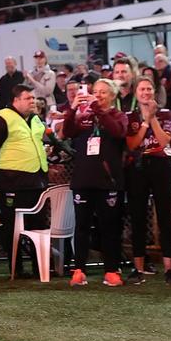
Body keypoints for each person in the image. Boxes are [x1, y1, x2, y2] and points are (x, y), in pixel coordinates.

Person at [62, 78, 129, 287]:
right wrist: (73, 110)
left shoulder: (119, 116)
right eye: (95, 91)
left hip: (108, 182)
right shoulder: (85, 116)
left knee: (109, 228)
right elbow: (68, 132)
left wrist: (97, 110)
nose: (98, 95)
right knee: (81, 227)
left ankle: (111, 271)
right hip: (83, 180)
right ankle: (79, 270)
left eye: (102, 92)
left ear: (112, 95)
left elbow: (118, 132)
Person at [0, 84, 51, 278]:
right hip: (13, 180)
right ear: (16, 100)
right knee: (12, 225)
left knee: (38, 224)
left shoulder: (35, 119)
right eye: (28, 98)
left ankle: (40, 267)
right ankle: (16, 268)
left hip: (37, 179)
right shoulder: (2, 118)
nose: (33, 101)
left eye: (33, 98)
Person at [125, 77, 171, 285]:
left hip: (161, 165)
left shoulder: (165, 113)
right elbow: (132, 144)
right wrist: (145, 121)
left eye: (149, 88)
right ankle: (138, 269)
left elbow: (164, 140)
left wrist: (153, 117)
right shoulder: (130, 117)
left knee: (164, 216)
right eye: (142, 89)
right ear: (136, 92)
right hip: (138, 166)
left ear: (154, 92)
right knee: (137, 217)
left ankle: (169, 270)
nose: (146, 92)